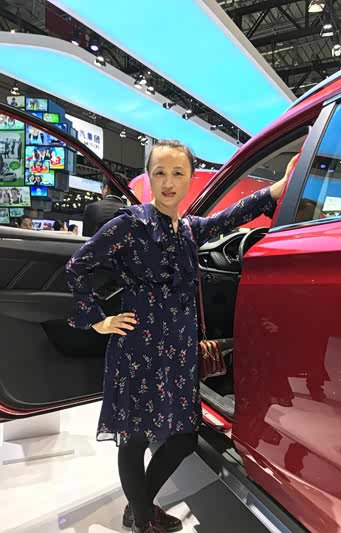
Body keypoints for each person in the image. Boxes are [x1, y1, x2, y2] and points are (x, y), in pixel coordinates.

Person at [66, 140, 295, 533]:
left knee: (183, 437)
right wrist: (98, 320)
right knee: (135, 439)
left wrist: (275, 190)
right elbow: (77, 266)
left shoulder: (188, 230)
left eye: (177, 173)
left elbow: (228, 218)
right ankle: (143, 520)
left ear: (189, 178)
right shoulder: (130, 224)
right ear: (149, 177)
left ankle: (139, 506)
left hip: (178, 352)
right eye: (160, 173)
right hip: (138, 350)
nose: (168, 182)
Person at [82, 173, 129, 237]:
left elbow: (86, 237)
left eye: (102, 187)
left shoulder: (91, 208)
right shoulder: (129, 211)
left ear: (106, 188)